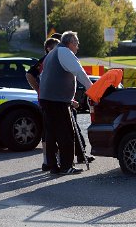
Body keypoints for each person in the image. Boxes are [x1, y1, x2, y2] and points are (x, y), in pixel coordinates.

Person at [39, 31, 93, 175]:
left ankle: (53, 166)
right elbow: (79, 72)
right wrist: (92, 90)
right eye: (77, 44)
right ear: (71, 43)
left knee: (51, 135)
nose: (77, 47)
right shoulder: (65, 52)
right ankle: (66, 166)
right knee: (66, 134)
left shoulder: (52, 53)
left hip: (47, 99)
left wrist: (68, 98)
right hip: (57, 101)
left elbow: (44, 77)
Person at [26, 36, 61, 171]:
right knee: (49, 131)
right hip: (48, 100)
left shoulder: (57, 60)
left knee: (57, 131)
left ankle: (56, 159)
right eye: (55, 48)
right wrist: (38, 89)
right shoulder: (44, 61)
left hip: (57, 99)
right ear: (48, 49)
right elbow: (29, 74)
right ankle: (47, 160)